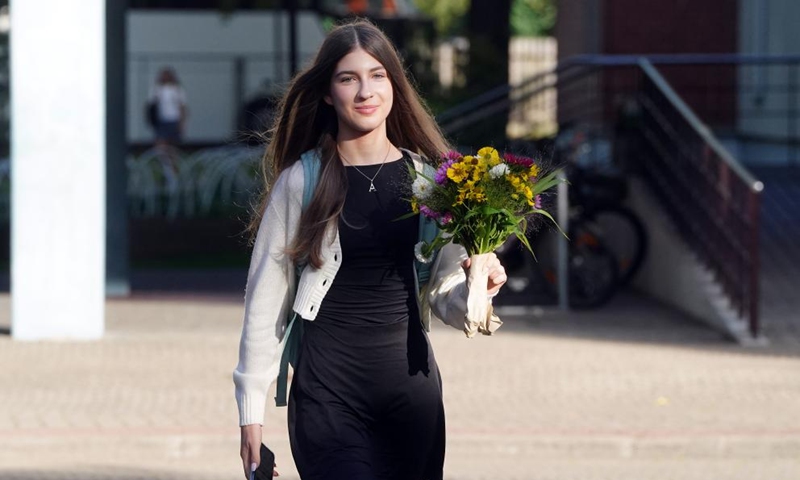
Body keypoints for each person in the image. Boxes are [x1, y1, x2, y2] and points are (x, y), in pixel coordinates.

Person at [233, 19, 507, 480]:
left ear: (394, 86)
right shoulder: (302, 182)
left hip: (410, 396)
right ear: (327, 93)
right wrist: (250, 413)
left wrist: (479, 289)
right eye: (348, 78)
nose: (365, 91)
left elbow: (444, 292)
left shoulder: (430, 183)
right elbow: (265, 301)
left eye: (377, 75)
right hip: (327, 396)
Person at [148, 67, 187, 148]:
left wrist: (182, 122)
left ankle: (172, 159)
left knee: (173, 143)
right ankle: (164, 159)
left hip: (174, 119)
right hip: (161, 119)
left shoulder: (177, 89)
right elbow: (151, 105)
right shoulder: (157, 89)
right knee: (161, 142)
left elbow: (182, 106)